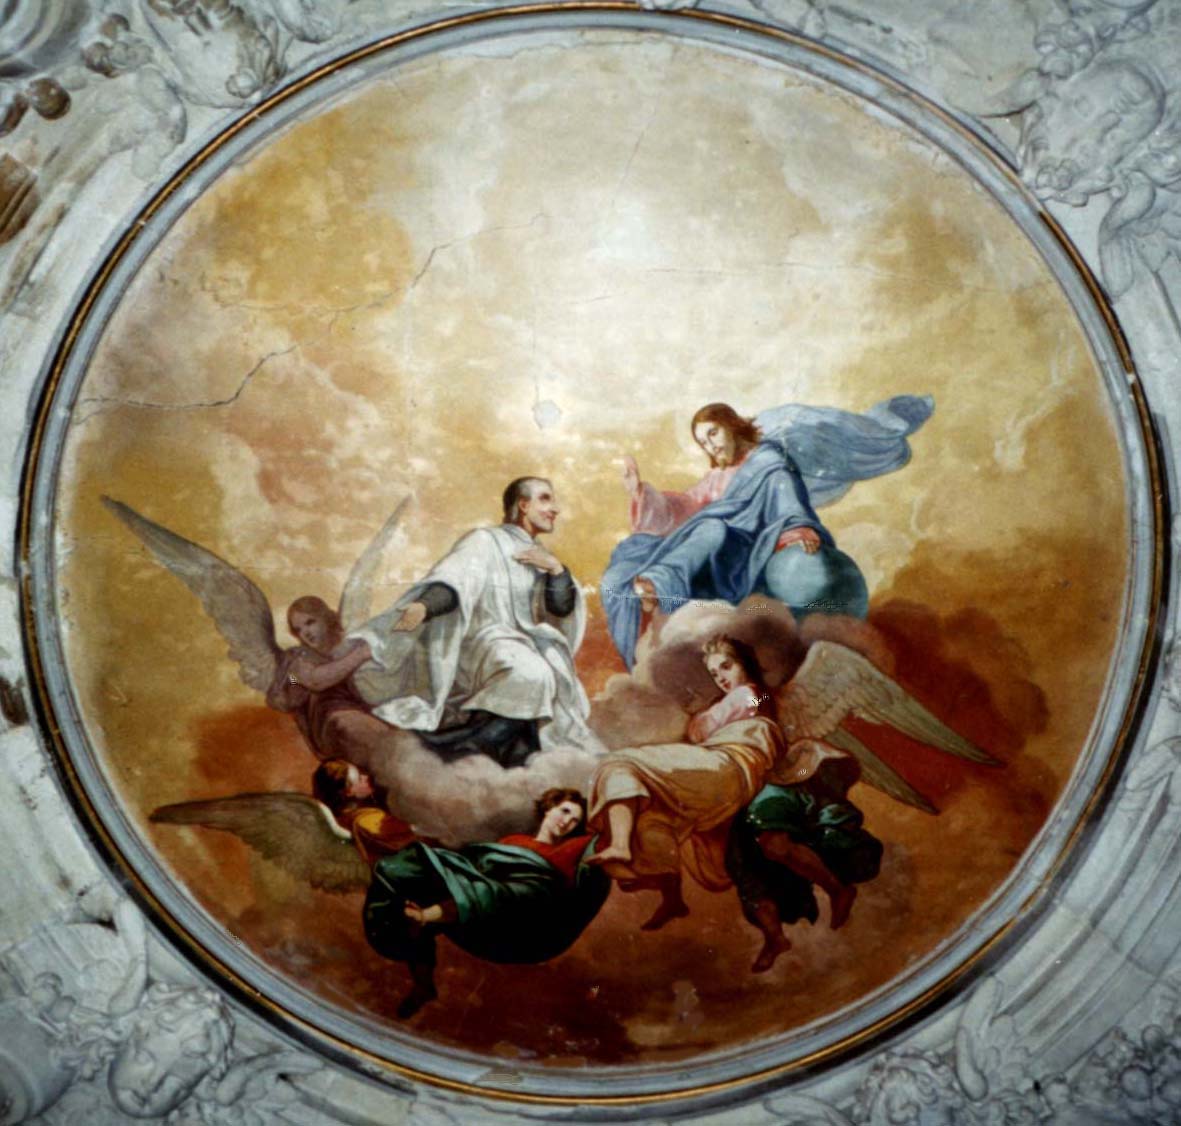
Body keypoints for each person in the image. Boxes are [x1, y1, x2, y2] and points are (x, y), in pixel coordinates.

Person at [588, 635, 878, 968]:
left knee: (623, 765)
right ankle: (768, 935)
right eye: (715, 673)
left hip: (733, 766)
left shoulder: (756, 695)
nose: (721, 677)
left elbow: (714, 723)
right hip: (727, 776)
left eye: (726, 666)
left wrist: (702, 719)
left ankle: (835, 889)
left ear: (744, 663)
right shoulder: (733, 702)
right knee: (731, 857)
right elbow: (704, 729)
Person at [603, 396, 933, 668]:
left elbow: (785, 493)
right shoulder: (720, 476)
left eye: (713, 434)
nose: (710, 446)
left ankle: (660, 583)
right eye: (703, 442)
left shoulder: (767, 460)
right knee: (700, 530)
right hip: (720, 560)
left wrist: (796, 527)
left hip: (749, 556)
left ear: (732, 425)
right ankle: (659, 588)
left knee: (713, 527)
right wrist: (641, 493)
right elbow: (689, 504)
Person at [348, 477, 599, 767]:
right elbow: (455, 580)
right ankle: (456, 748)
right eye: (545, 499)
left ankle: (498, 753)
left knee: (548, 673)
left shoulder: (542, 555)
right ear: (523, 505)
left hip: (519, 644)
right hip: (480, 640)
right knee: (532, 673)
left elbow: (561, 608)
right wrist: (424, 606)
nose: (555, 509)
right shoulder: (484, 541)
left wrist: (556, 571)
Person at [363, 788, 609, 1018]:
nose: (566, 822)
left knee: (507, 893)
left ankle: (426, 916)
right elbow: (478, 867)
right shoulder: (513, 841)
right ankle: (423, 983)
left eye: (574, 821)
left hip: (520, 910)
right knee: (407, 866)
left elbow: (602, 839)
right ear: (549, 808)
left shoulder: (569, 851)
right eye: (564, 811)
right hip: (484, 897)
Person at [265, 596, 388, 765]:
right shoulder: (298, 657)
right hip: (331, 715)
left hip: (365, 706)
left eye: (310, 622)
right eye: (298, 629)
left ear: (325, 618)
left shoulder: (349, 641)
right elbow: (315, 680)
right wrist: (294, 682)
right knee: (364, 732)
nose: (305, 633)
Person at [311, 759, 418, 866]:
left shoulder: (344, 818)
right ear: (348, 792)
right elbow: (414, 832)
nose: (366, 778)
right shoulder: (365, 821)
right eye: (359, 779)